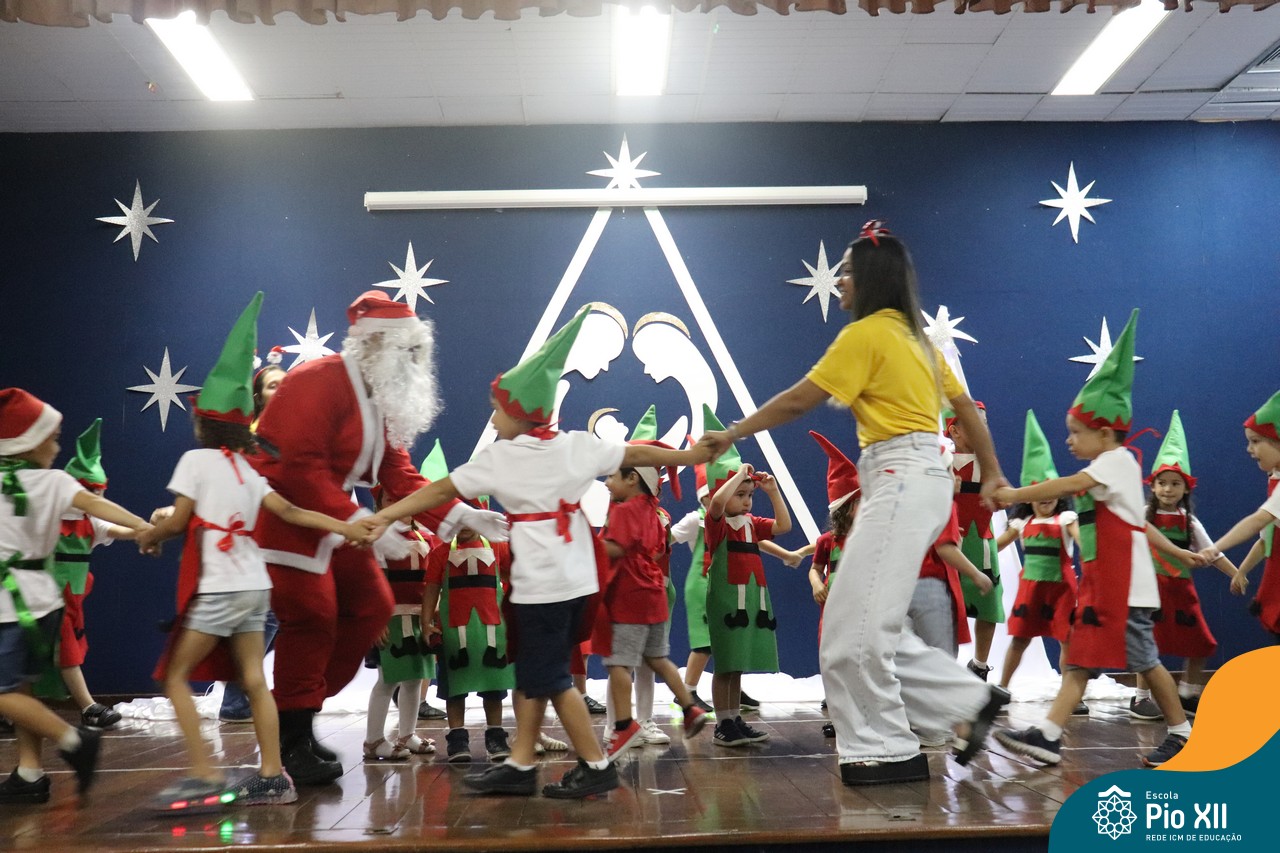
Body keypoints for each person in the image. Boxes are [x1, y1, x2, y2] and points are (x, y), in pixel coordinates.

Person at [359, 305, 711, 799]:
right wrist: (690, 455)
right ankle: (521, 763)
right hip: (571, 582)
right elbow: (637, 453)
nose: (493, 417)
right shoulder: (572, 446)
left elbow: (438, 490)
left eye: (497, 408)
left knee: (553, 680)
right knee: (532, 674)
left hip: (546, 587)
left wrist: (385, 515)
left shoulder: (502, 457)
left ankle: (595, 765)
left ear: (520, 413)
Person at [701, 220, 1006, 786]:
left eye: (846, 271)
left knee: (851, 631)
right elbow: (964, 409)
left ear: (869, 278)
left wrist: (733, 432)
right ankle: (956, 708)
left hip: (899, 477)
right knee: (861, 626)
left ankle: (893, 745)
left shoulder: (865, 335)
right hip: (914, 478)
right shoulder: (915, 340)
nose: (840, 280)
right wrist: (991, 471)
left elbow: (799, 400)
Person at [249, 291, 507, 784]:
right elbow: (296, 468)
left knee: (371, 605)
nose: (414, 363)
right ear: (373, 345)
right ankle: (291, 735)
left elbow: (400, 475)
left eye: (418, 353)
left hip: (342, 523)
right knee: (311, 618)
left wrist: (462, 515)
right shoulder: (315, 381)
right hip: (291, 523)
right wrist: (356, 519)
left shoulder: (378, 397)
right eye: (406, 351)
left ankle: (301, 713)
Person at [139, 293, 366, 810]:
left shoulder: (196, 462)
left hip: (221, 589)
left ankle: (203, 774)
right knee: (255, 681)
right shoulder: (249, 468)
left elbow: (178, 522)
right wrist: (348, 525)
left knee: (174, 676)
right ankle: (272, 776)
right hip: (256, 589)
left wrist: (151, 534)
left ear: (204, 423)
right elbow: (292, 513)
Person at [994, 310, 1204, 768]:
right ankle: (1049, 735)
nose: (1069, 441)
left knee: (1145, 660)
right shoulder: (1109, 471)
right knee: (1081, 660)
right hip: (1104, 587)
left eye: (1076, 433)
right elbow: (1140, 525)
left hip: (1125, 591)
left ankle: (1182, 732)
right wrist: (1176, 551)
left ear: (1106, 432)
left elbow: (1071, 484)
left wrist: (1013, 495)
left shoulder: (1116, 462)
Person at [0, 388, 148, 804]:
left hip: (10, 607)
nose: (57, 447)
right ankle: (29, 773)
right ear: (27, 442)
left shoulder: (39, 481)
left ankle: (74, 740)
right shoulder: (56, 482)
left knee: (5, 692)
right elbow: (98, 508)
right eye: (52, 439)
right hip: (44, 603)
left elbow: (96, 511)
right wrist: (143, 527)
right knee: (22, 689)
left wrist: (141, 528)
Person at [598, 439, 709, 759]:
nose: (606, 483)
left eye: (612, 476)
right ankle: (689, 708)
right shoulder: (655, 513)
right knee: (658, 658)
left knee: (619, 663)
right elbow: (659, 549)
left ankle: (622, 726)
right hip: (655, 593)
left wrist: (582, 542)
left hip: (630, 595)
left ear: (633, 478)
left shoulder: (623, 511)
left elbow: (615, 548)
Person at [1130, 410, 1241, 720]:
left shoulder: (1189, 522)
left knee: (1199, 642)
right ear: (1153, 486)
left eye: (1175, 484)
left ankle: (1188, 692)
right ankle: (1141, 698)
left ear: (1186, 488)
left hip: (1181, 592)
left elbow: (1211, 552)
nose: (1168, 489)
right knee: (1148, 643)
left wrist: (1236, 573)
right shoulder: (1143, 516)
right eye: (1162, 483)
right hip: (1150, 590)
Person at [418, 440, 516, 764]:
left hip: (491, 628)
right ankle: (457, 739)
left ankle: (496, 738)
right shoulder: (440, 552)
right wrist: (426, 622)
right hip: (453, 629)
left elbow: (511, 577)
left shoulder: (498, 546)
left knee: (494, 685)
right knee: (455, 686)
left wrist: (515, 614)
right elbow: (431, 588)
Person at [702, 406, 790, 747]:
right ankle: (722, 724)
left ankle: (734, 718)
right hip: (726, 598)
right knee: (725, 662)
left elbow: (784, 526)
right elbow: (717, 503)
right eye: (741, 495)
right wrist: (738, 474)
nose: (747, 501)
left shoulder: (753, 524)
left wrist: (772, 492)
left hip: (752, 597)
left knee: (737, 663)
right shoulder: (718, 523)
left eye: (750, 495)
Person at [50, 419, 138, 728]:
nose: (97, 498)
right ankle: (88, 707)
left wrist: (153, 530)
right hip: (41, 597)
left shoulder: (92, 521)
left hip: (70, 600)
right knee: (63, 652)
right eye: (91, 491)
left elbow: (122, 530)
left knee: (42, 654)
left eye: (100, 491)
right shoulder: (47, 515)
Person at [993, 411, 1080, 696]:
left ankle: (1068, 692)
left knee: (1067, 639)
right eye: (1037, 491)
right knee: (1020, 639)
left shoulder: (1066, 519)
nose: (1045, 496)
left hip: (1062, 590)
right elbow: (996, 546)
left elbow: (1083, 542)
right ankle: (1003, 687)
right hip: (1031, 591)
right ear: (1027, 496)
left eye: (1050, 489)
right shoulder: (1021, 523)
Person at [219, 357, 285, 724]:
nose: (283, 390)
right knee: (266, 616)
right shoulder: (253, 439)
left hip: (283, 536)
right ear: (258, 397)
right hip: (256, 536)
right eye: (274, 385)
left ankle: (240, 695)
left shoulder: (291, 433)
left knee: (271, 617)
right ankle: (236, 699)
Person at [362, 482, 438, 762]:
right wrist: (377, 621)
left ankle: (407, 734)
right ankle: (373, 740)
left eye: (403, 498)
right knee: (388, 679)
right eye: (390, 499)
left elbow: (433, 583)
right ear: (380, 505)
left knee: (415, 677)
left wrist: (432, 617)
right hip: (390, 618)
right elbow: (371, 584)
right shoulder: (377, 540)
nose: (398, 504)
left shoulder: (426, 538)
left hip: (419, 618)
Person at [1197, 391, 1280, 643]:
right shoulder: (1275, 482)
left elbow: (1256, 521)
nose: (1249, 449)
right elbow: (1267, 540)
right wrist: (1242, 571)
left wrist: (1215, 548)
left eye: (1255, 441)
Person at [806, 431, 861, 739]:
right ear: (845, 508)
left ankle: (861, 717)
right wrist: (817, 584)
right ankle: (841, 718)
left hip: (861, 610)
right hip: (833, 611)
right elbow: (815, 569)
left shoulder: (871, 537)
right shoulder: (828, 541)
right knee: (833, 663)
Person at [946, 402, 1005, 681]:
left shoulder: (989, 464)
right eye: (974, 423)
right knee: (947, 604)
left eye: (985, 424)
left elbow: (1000, 498)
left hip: (982, 542)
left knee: (988, 601)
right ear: (955, 431)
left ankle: (980, 665)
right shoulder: (942, 461)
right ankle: (944, 664)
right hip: (950, 543)